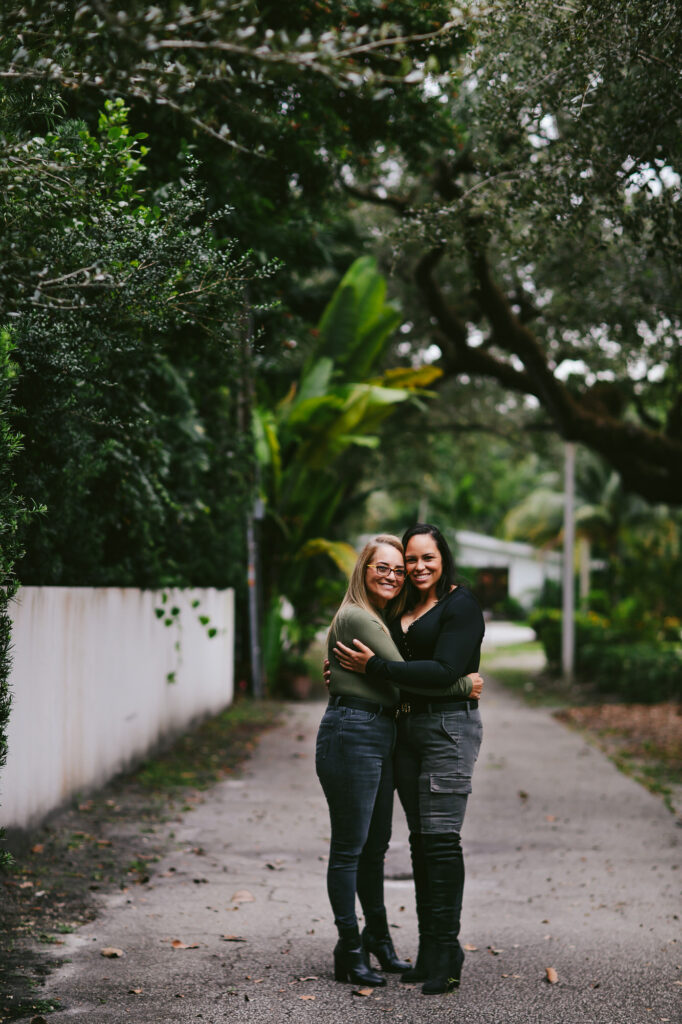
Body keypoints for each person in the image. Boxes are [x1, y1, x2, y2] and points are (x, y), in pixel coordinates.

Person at [317, 534, 482, 988]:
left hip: (401, 730)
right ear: (363, 571)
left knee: (410, 843)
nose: (401, 571)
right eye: (388, 565)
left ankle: (423, 949)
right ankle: (355, 947)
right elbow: (396, 674)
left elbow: (395, 669)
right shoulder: (366, 616)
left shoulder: (428, 609)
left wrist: (365, 673)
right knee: (364, 846)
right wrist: (463, 686)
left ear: (444, 560)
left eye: (409, 562)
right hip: (367, 731)